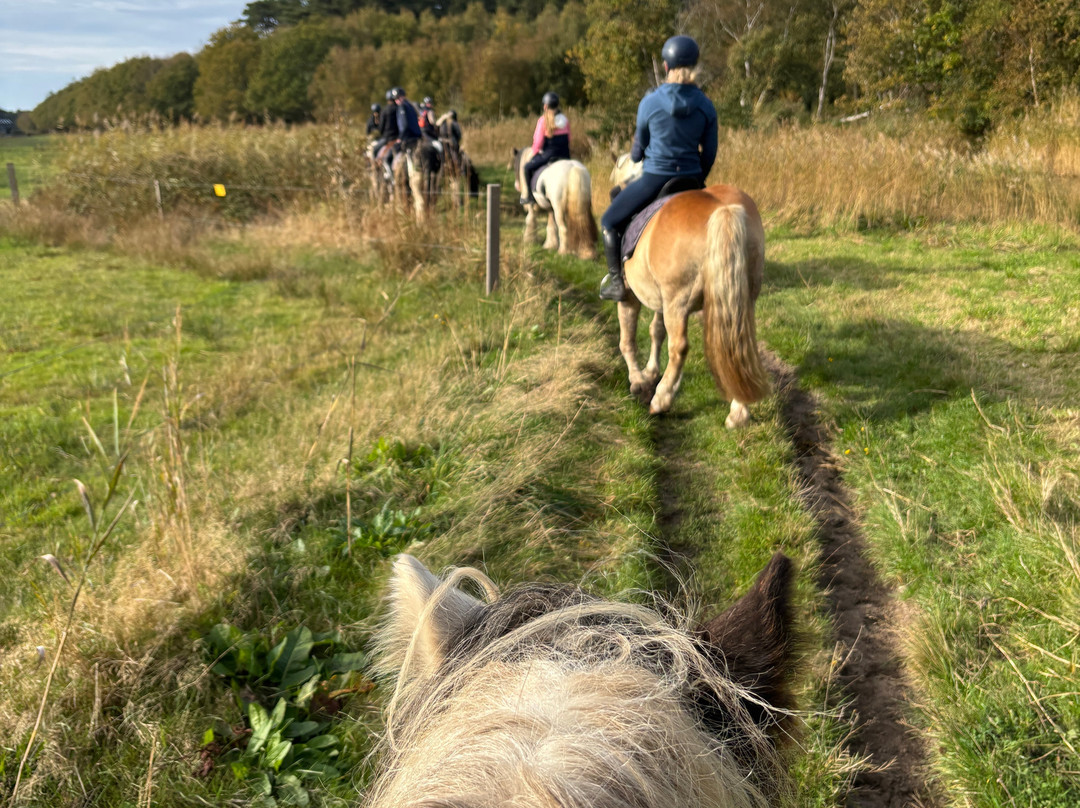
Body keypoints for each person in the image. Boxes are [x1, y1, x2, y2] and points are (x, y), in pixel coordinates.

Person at [598, 35, 718, 302]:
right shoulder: (706, 105)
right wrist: (698, 177)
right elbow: (709, 154)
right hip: (691, 180)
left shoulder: (649, 103)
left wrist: (639, 153)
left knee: (608, 221)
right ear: (695, 65)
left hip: (654, 179)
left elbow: (638, 152)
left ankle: (617, 281)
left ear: (666, 66)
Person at [521, 91, 570, 206]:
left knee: (526, 168)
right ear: (558, 106)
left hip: (549, 156)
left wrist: (533, 153)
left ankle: (529, 197)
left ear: (545, 106)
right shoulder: (565, 120)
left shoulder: (543, 121)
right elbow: (569, 139)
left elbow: (538, 142)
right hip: (565, 155)